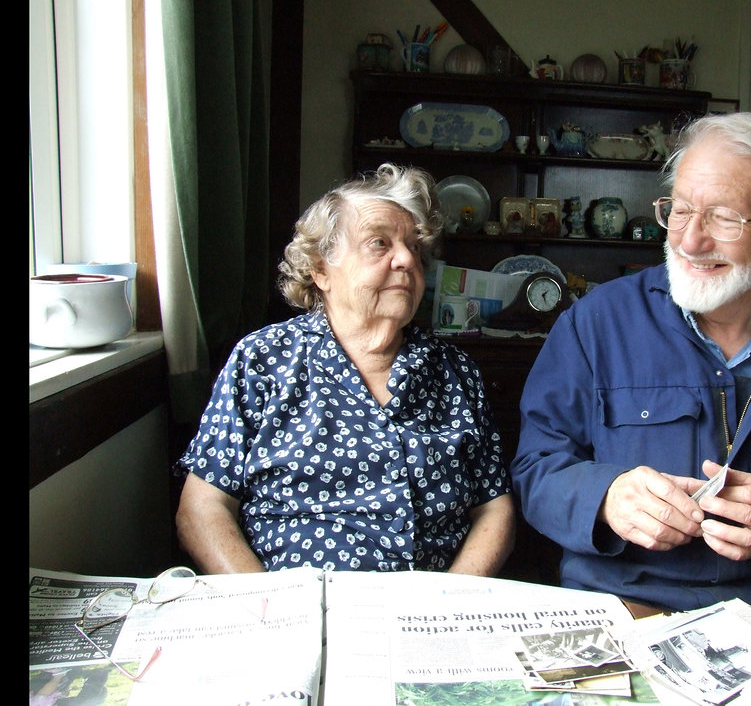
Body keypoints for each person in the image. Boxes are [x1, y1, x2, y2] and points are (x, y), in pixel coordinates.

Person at [510, 112, 751, 652]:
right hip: (621, 601)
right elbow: (535, 469)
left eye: (723, 218)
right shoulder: (594, 325)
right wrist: (605, 497)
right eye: (679, 210)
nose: (690, 240)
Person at [174, 163, 515, 575]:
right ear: (320, 270)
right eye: (379, 243)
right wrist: (269, 609)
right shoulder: (264, 360)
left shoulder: (454, 370)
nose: (407, 259)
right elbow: (202, 507)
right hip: (293, 608)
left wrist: (450, 599)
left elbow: (494, 509)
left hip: (431, 611)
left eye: (414, 247)